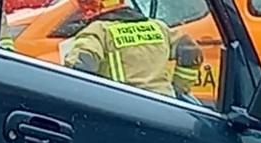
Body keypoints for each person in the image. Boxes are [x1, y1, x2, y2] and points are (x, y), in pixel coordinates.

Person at [62, 0, 202, 99]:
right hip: (166, 105)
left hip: (126, 108)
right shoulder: (158, 27)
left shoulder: (99, 30)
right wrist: (178, 89)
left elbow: (82, 65)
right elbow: (190, 50)